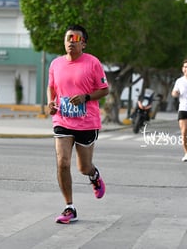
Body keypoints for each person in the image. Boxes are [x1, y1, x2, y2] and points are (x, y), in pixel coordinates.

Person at [47, 24, 109, 224]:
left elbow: (104, 89)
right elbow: (51, 87)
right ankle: (69, 207)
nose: (70, 42)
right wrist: (50, 103)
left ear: (84, 43)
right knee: (62, 162)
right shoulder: (56, 64)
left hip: (86, 122)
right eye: (68, 39)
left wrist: (86, 97)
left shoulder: (93, 63)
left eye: (75, 39)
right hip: (62, 120)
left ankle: (94, 175)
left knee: (83, 167)